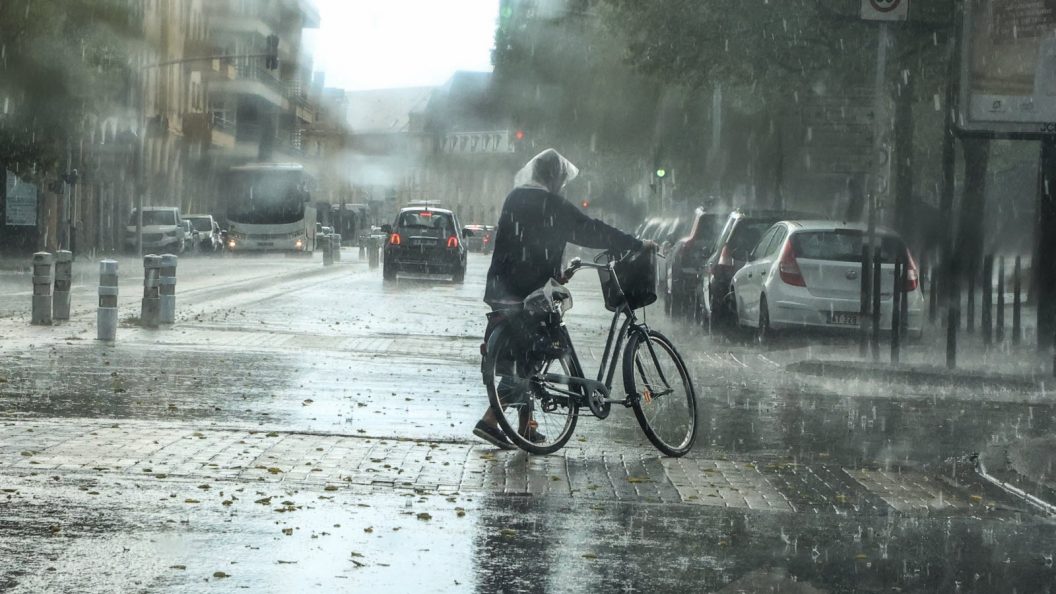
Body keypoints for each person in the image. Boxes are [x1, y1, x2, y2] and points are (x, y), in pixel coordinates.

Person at [473, 148, 646, 449]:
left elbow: (523, 242)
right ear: (555, 178)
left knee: (523, 351)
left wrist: (554, 274)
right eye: (562, 180)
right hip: (529, 293)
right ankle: (491, 419)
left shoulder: (516, 197)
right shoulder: (552, 204)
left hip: (502, 289)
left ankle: (526, 425)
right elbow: (591, 230)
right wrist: (635, 243)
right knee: (536, 354)